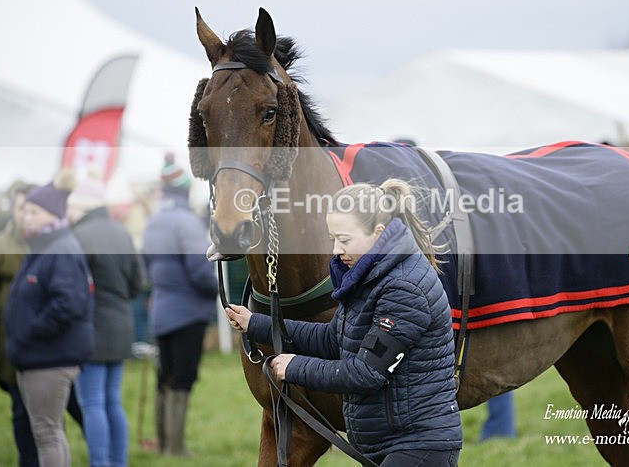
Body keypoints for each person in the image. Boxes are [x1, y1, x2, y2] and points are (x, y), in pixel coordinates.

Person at [226, 179, 462, 466]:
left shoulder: (404, 288)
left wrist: (294, 367)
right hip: (390, 445)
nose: (336, 250)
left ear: (378, 233)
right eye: (333, 239)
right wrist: (256, 324)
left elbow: (366, 373)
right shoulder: (372, 275)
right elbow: (333, 339)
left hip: (417, 446)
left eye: (345, 240)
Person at [2, 171, 94, 467]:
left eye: (32, 212)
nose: (25, 217)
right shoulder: (44, 246)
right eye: (24, 211)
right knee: (47, 432)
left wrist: (30, 331)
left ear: (50, 215)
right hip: (38, 356)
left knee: (47, 433)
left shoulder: (61, 249)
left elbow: (70, 304)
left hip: (49, 358)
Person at [140, 154, 217, 456]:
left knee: (165, 376)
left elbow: (147, 267)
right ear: (185, 191)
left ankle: (163, 445)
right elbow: (200, 270)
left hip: (160, 311)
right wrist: (218, 291)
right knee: (183, 377)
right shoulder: (187, 223)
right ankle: (175, 448)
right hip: (187, 312)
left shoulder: (153, 223)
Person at [67, 171, 143, 467]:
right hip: (122, 326)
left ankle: (100, 463)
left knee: (92, 402)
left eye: (72, 207)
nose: (68, 213)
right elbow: (137, 284)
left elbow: (71, 291)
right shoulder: (121, 232)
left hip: (90, 331)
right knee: (111, 400)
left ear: (83, 207)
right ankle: (118, 462)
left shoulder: (78, 238)